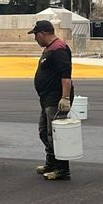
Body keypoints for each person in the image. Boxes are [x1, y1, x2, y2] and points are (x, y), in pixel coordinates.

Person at [29, 19, 74, 181]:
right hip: (47, 98)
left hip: (56, 99)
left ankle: (62, 169)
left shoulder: (58, 49)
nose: (35, 38)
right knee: (44, 132)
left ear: (42, 34)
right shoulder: (50, 48)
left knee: (54, 134)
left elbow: (66, 76)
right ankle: (51, 163)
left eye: (35, 35)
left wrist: (65, 98)